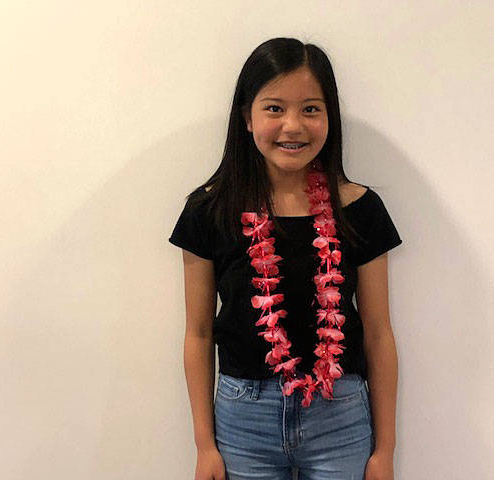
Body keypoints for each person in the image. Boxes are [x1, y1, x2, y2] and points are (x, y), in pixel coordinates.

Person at [168, 37, 402, 480]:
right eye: (274, 108)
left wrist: (385, 450)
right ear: (246, 117)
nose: (292, 126)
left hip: (340, 416)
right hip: (244, 421)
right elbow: (198, 333)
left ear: (330, 117)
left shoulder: (360, 209)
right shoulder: (208, 210)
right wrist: (204, 445)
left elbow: (378, 333)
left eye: (310, 109)